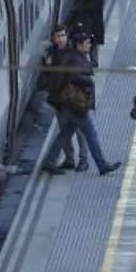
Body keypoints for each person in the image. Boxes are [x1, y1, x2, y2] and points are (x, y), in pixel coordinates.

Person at [41, 32, 121, 176]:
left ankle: (49, 162)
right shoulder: (74, 58)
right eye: (87, 43)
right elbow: (75, 76)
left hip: (67, 103)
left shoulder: (71, 55)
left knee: (65, 133)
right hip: (76, 104)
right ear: (78, 44)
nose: (90, 46)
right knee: (91, 134)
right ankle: (102, 165)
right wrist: (88, 81)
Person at [40, 25, 90, 169]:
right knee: (64, 130)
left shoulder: (75, 51)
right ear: (53, 39)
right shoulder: (50, 54)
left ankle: (83, 160)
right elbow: (47, 78)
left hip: (76, 98)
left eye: (63, 35)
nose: (61, 39)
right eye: (58, 36)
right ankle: (69, 159)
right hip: (60, 100)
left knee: (81, 131)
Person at [73, 0, 105, 66]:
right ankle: (93, 60)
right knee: (91, 40)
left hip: (91, 19)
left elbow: (93, 4)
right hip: (94, 19)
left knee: (89, 39)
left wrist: (79, 8)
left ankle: (92, 61)